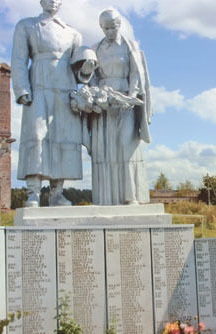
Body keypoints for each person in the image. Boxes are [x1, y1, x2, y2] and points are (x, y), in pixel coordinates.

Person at [11, 0, 87, 207]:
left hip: (65, 88)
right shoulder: (27, 25)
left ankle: (57, 193)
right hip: (38, 84)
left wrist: (86, 70)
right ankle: (33, 192)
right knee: (37, 135)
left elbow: (78, 69)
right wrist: (22, 89)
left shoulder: (73, 33)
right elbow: (18, 60)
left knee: (62, 137)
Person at [88, 8, 152, 205]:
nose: (110, 31)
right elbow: (91, 77)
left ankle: (131, 196)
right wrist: (98, 94)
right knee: (105, 150)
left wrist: (131, 94)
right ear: (101, 28)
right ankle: (106, 199)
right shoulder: (96, 48)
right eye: (106, 28)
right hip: (104, 104)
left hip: (126, 102)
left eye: (113, 27)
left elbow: (136, 73)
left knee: (127, 148)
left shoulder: (129, 46)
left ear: (120, 25)